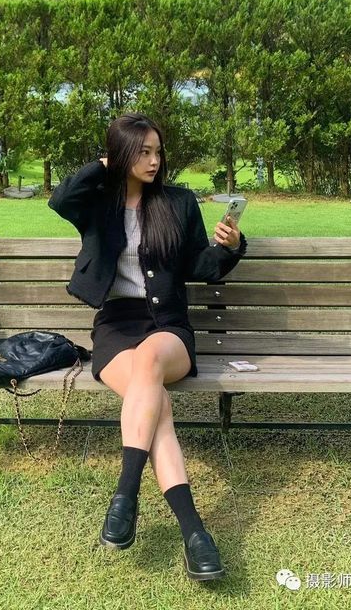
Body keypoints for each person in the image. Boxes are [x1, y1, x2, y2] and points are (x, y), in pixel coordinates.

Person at [48, 113, 247, 581]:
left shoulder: (177, 202)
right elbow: (60, 198)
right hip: (115, 328)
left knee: (150, 359)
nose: (154, 161)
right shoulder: (97, 202)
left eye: (158, 151)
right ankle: (195, 532)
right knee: (157, 407)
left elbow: (201, 265)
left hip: (167, 327)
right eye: (143, 152)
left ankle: (126, 493)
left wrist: (231, 246)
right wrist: (106, 165)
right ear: (121, 155)